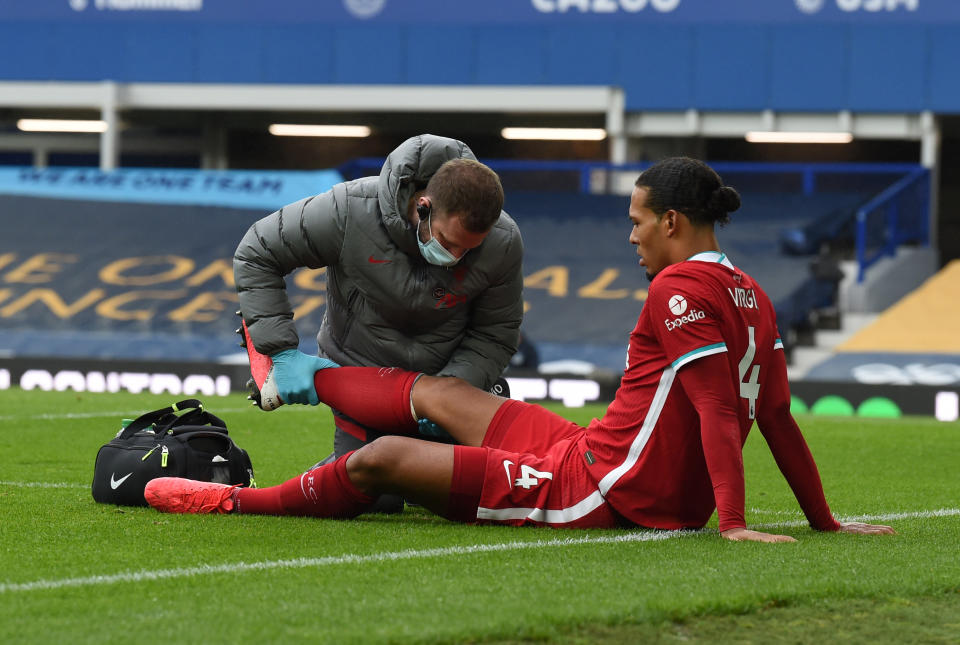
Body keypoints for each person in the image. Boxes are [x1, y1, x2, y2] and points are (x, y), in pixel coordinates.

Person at [149, 157, 894, 542]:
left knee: (379, 461)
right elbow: (780, 417)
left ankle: (234, 499)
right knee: (443, 394)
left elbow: (718, 413)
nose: (629, 235)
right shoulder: (751, 293)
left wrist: (730, 521)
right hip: (598, 450)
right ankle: (301, 372)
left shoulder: (677, 292)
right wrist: (823, 521)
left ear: (672, 220)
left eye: (637, 221)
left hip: (604, 492)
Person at [233, 134, 524, 512]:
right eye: (449, 243)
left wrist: (454, 391)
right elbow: (258, 250)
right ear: (423, 207)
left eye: (469, 249)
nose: (456, 258)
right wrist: (282, 353)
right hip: (366, 379)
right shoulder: (349, 210)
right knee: (375, 497)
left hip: (446, 383)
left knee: (488, 496)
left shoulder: (503, 241)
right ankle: (335, 473)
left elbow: (495, 333)